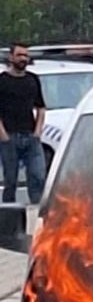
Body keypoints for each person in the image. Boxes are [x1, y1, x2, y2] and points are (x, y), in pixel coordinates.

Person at [0, 42, 47, 204]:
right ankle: (8, 219)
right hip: (9, 137)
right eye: (19, 55)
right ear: (11, 57)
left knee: (38, 176)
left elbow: (41, 108)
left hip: (31, 136)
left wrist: (37, 132)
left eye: (26, 55)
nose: (23, 58)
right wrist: (3, 135)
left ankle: (37, 212)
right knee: (10, 180)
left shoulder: (33, 80)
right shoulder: (2, 81)